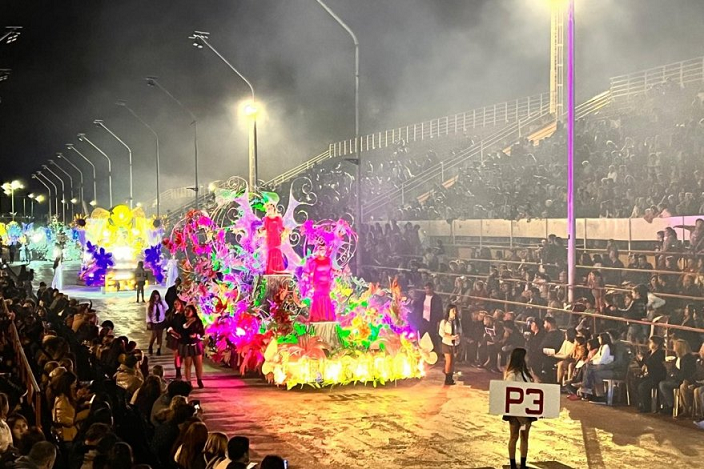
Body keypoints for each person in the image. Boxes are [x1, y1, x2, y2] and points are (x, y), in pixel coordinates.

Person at [503, 348, 535, 469]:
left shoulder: (526, 373)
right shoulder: (512, 375)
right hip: (516, 412)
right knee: (515, 435)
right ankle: (513, 464)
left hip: (525, 410)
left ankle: (522, 464)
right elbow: (509, 391)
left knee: (523, 436)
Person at [659, 339, 696, 414]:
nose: (673, 349)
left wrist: (673, 372)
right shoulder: (679, 358)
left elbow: (684, 374)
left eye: (675, 346)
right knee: (662, 382)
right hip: (679, 379)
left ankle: (671, 405)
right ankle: (667, 405)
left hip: (684, 381)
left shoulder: (687, 359)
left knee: (663, 384)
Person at [634, 336, 667, 412]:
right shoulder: (648, 353)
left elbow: (656, 365)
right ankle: (640, 403)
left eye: (651, 342)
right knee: (635, 382)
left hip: (655, 376)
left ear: (657, 344)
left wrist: (646, 363)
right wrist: (639, 360)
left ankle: (647, 406)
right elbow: (643, 364)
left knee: (643, 387)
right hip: (647, 375)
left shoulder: (660, 354)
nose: (649, 344)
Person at [179, 305, 205, 388]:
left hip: (196, 344)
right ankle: (188, 382)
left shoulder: (197, 321)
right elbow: (181, 331)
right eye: (185, 310)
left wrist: (196, 335)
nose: (186, 312)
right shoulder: (182, 320)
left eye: (189, 310)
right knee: (187, 364)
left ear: (193, 311)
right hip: (186, 344)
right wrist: (189, 322)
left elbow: (202, 332)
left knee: (198, 364)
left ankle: (199, 380)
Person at [414, 282, 443, 353]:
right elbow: (418, 306)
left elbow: (439, 310)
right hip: (422, 321)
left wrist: (439, 321)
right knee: (422, 337)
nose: (426, 290)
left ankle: (435, 354)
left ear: (432, 289)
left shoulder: (437, 298)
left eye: (428, 288)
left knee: (432, 337)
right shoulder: (422, 296)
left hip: (432, 321)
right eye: (425, 288)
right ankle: (422, 353)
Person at [438, 304, 461, 385]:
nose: (455, 312)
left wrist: (458, 335)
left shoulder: (457, 321)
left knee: (453, 362)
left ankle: (450, 378)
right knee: (448, 361)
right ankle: (447, 379)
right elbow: (441, 333)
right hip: (447, 343)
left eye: (455, 311)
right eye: (453, 311)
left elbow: (460, 331)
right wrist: (450, 336)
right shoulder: (444, 322)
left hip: (455, 343)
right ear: (448, 311)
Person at [166, 298, 186, 379]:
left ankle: (180, 369)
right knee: (177, 355)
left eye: (178, 304)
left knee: (182, 356)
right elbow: (168, 325)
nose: (176, 305)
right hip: (175, 338)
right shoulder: (172, 315)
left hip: (184, 338)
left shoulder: (185, 314)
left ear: (181, 305)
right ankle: (178, 372)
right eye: (175, 304)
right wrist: (173, 332)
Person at [147, 290, 168, 356]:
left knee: (160, 336)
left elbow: (167, 307)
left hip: (161, 321)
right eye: (155, 297)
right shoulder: (150, 303)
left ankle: (158, 349)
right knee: (154, 335)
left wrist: (162, 301)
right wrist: (148, 322)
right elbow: (147, 314)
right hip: (154, 321)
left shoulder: (161, 303)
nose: (156, 298)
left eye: (157, 296)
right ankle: (150, 346)